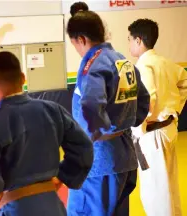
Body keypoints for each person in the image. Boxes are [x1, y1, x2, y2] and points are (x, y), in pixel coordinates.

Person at [0, 51, 94, 216]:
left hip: (17, 208)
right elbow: (84, 147)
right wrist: (62, 176)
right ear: (23, 77)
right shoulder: (52, 110)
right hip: (53, 206)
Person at [63, 11, 150, 215]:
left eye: (74, 43)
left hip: (98, 164)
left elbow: (91, 108)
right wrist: (123, 124)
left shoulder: (93, 65)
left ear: (81, 39)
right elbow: (144, 102)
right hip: (124, 158)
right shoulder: (122, 62)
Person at [128, 18, 187, 216]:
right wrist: (174, 109)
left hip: (152, 134)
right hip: (168, 128)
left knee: (155, 189)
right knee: (168, 183)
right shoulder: (165, 62)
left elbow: (149, 99)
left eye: (130, 40)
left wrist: (137, 129)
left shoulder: (144, 65)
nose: (129, 44)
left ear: (138, 40)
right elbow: (184, 82)